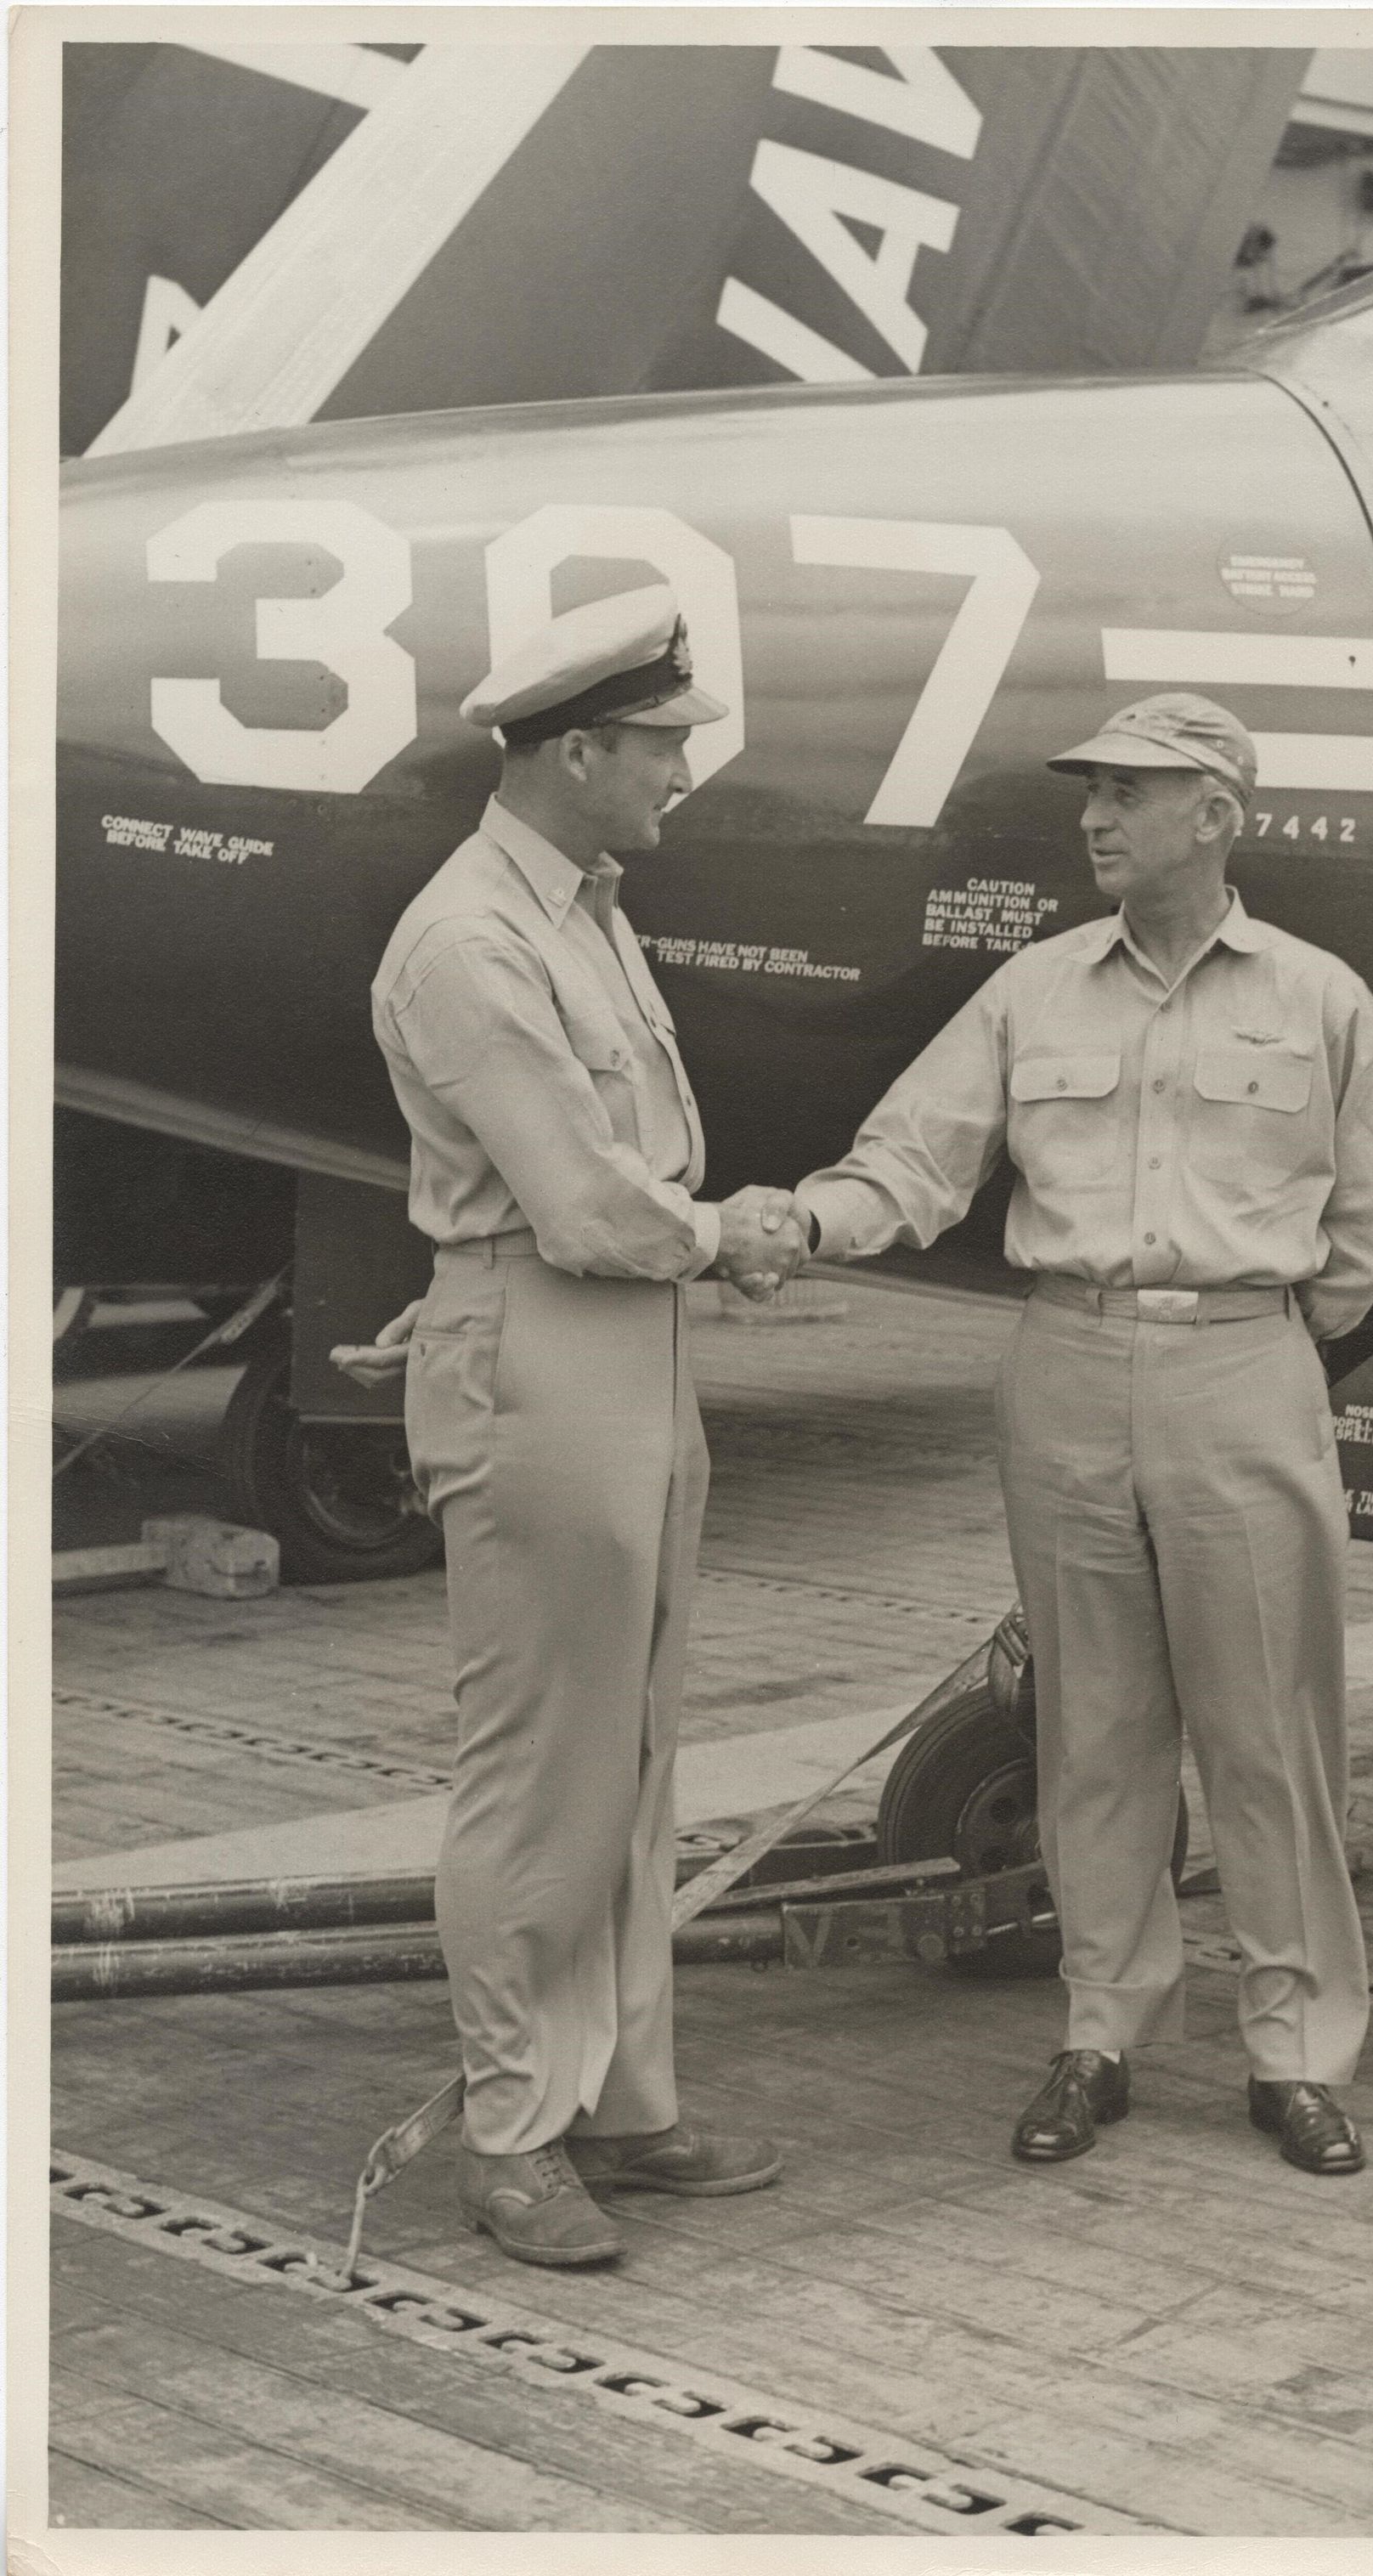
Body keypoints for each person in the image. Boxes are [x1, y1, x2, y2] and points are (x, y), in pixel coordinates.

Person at [787, 692, 1373, 2176]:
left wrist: (1247, 1338)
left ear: (1216, 813)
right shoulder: (1034, 991)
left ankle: (1297, 2053)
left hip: (1241, 1368)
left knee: (1273, 1734)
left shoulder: (1320, 998)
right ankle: (1102, 2032)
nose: (1093, 816)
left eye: (1129, 792)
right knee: (1094, 1729)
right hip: (1064, 1362)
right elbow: (914, 1159)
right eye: (1091, 793)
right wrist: (806, 1222)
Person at [344, 585, 805, 2268]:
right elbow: (577, 1198)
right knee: (543, 1768)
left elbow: (616, 1177)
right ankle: (514, 2129)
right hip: (549, 1341)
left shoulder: (583, 907)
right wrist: (729, 1234)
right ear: (581, 747)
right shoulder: (473, 936)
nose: (684, 769)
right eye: (664, 743)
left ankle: (626, 2102)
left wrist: (688, 1247)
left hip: (622, 1344)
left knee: (634, 1756)